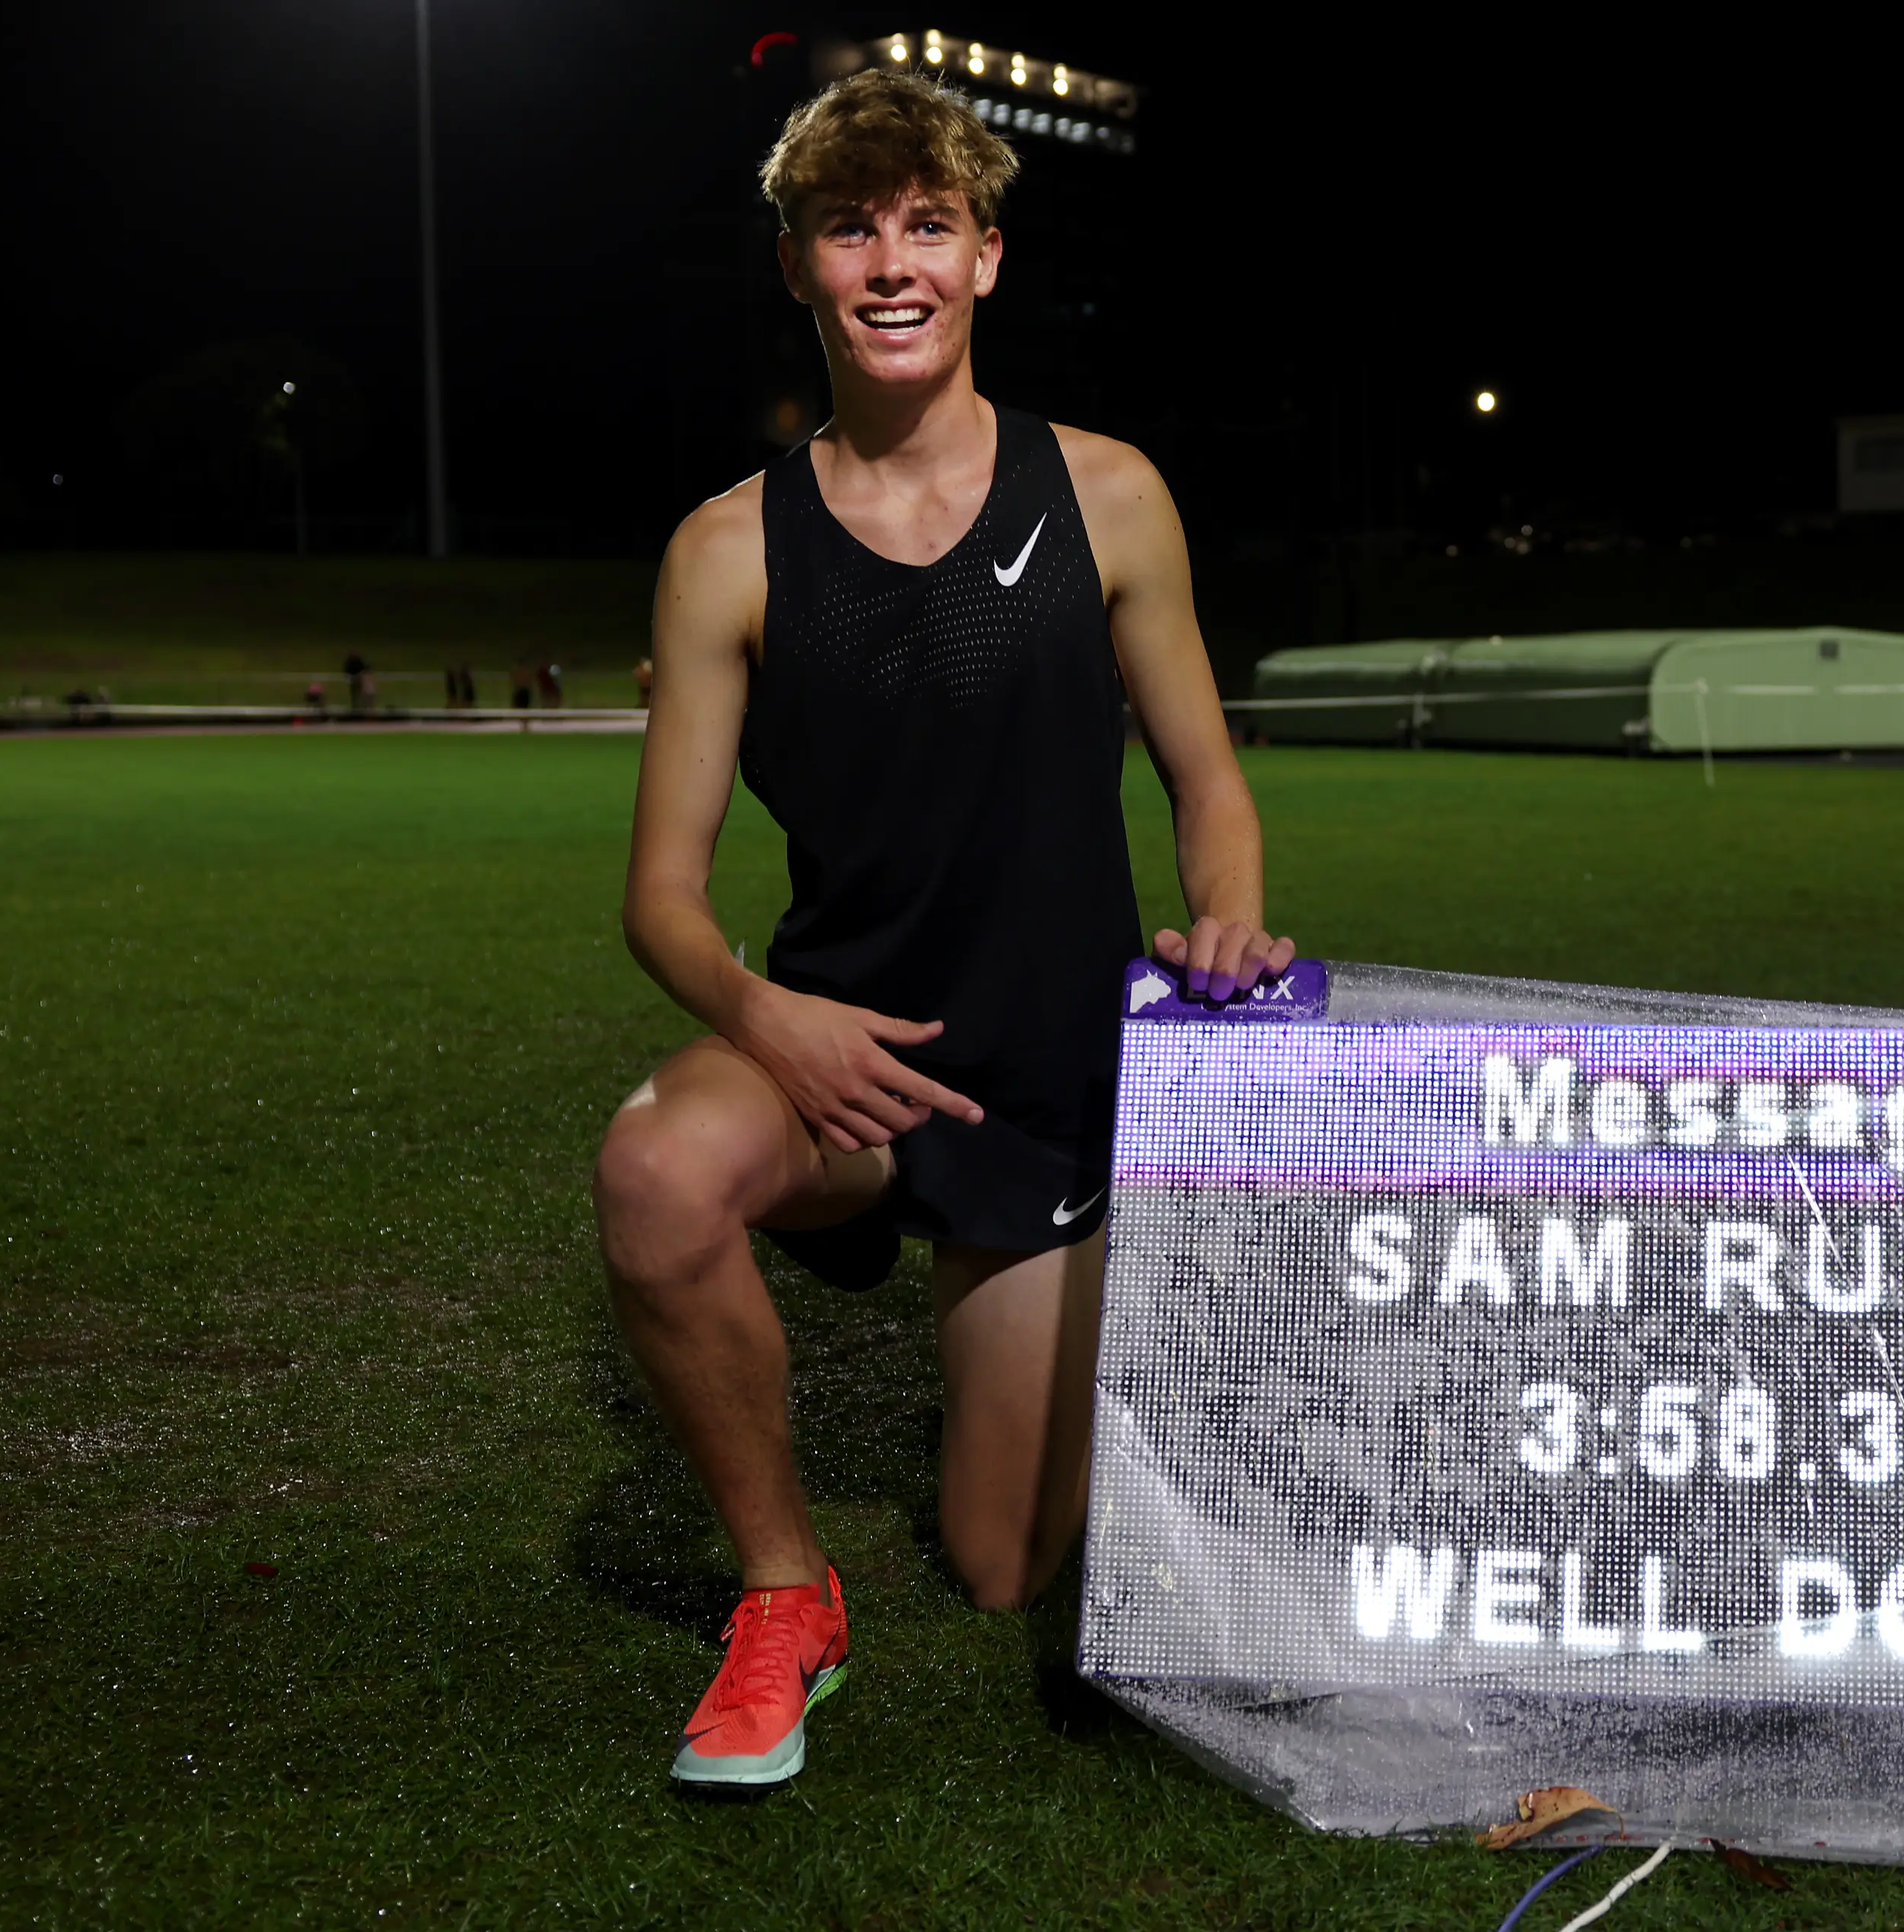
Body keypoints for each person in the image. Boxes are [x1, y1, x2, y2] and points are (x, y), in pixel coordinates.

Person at [589, 69, 1294, 1792]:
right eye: (849, 228)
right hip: (840, 1071)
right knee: (654, 1171)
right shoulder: (724, 550)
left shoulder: (1109, 494)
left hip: (1046, 1077)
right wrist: (776, 1021)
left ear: (984, 254)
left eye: (925, 225)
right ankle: (783, 1587)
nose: (888, 262)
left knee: (1002, 1561)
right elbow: (660, 899)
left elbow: (1208, 778)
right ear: (797, 265)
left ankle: (1072, 1335)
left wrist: (1227, 920)